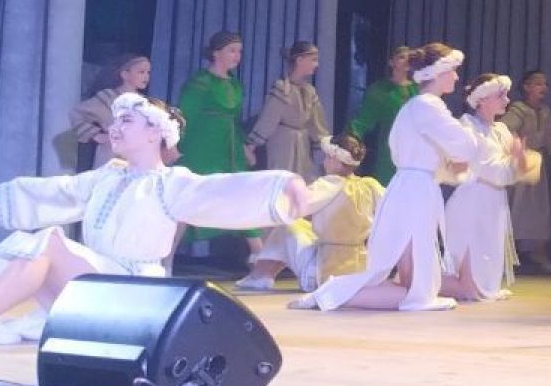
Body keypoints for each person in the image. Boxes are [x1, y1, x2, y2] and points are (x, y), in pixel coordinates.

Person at [0, 93, 310, 353]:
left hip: (132, 295)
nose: (115, 127)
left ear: (155, 134)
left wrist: (280, 186)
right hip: (96, 283)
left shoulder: (171, 183)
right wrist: (13, 192)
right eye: (115, 121)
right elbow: (60, 191)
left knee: (49, 241)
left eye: (127, 121)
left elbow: (222, 191)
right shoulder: (107, 176)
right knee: (17, 243)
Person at [297, 43, 480, 312]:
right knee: (414, 289)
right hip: (415, 192)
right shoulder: (428, 106)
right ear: (438, 73)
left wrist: (452, 163)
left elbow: (444, 157)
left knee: (412, 279)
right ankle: (332, 294)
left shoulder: (416, 106)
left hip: (412, 188)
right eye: (452, 70)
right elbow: (465, 146)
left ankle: (332, 293)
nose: (455, 77)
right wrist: (464, 149)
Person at [240, 134, 384, 293]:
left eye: (327, 158)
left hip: (324, 273)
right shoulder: (370, 186)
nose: (324, 162)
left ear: (336, 161)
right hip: (359, 273)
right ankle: (262, 275)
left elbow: (296, 206)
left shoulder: (330, 184)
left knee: (287, 226)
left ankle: (260, 275)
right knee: (301, 226)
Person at [443, 73, 532, 302]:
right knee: (469, 246)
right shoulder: (468, 127)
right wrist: (512, 162)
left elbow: (515, 171)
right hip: (473, 197)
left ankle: (485, 285)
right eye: (500, 95)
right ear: (482, 99)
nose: (507, 100)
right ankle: (454, 284)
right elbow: (489, 169)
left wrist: (519, 157)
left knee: (490, 246)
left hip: (494, 199)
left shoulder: (501, 130)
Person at [176, 29, 254, 254]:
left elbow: (235, 120)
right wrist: (175, 145)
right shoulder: (200, 83)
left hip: (229, 147)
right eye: (232, 50)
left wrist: (244, 146)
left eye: (239, 51)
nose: (237, 56)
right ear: (216, 53)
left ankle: (258, 255)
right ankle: (166, 257)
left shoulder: (235, 85)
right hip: (202, 146)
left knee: (242, 195)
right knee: (190, 199)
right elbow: (184, 115)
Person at [504, 70, 551, 273]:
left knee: (539, 211)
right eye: (537, 84)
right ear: (526, 87)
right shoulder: (518, 110)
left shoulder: (545, 112)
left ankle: (537, 252)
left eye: (545, 84)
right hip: (520, 164)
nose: (543, 88)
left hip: (536, 166)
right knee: (516, 207)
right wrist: (516, 147)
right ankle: (510, 254)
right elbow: (505, 130)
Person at [246, 41, 330, 182]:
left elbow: (316, 123)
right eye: (313, 60)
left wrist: (326, 146)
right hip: (283, 143)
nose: (316, 64)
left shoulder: (310, 91)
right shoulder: (282, 89)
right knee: (282, 178)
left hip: (302, 144)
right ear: (299, 60)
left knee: (303, 179)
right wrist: (252, 145)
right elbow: (268, 119)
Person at [346, 45, 416, 185]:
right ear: (391, 62)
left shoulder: (418, 89)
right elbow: (363, 120)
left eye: (410, 57)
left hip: (415, 149)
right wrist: (350, 140)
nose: (406, 60)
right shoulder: (380, 90)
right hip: (389, 149)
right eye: (402, 57)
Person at [69, 52, 153, 169]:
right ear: (125, 74)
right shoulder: (108, 98)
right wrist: (96, 135)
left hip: (137, 157)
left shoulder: (145, 102)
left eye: (148, 73)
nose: (146, 77)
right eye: (141, 72)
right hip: (110, 156)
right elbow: (77, 113)